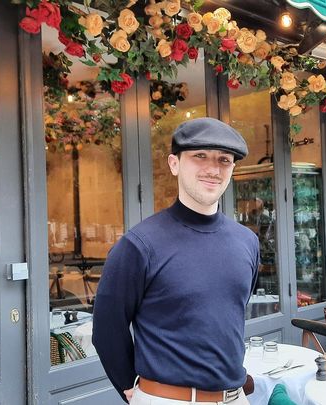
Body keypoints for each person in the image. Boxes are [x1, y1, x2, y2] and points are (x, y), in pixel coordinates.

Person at [92, 118, 260, 404]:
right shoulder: (140, 244)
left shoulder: (247, 241)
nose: (213, 169)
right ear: (174, 164)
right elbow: (107, 329)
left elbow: (229, 314)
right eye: (200, 156)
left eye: (224, 160)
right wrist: (129, 386)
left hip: (234, 398)